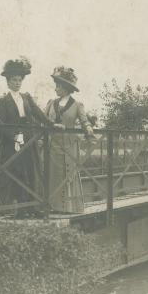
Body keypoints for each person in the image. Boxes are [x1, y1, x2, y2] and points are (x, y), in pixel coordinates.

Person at [0, 57, 50, 218]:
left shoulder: (26, 98)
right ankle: (18, 208)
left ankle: (31, 207)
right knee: (16, 173)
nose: (17, 83)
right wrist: (14, 137)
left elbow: (39, 114)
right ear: (8, 81)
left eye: (19, 80)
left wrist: (51, 124)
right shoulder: (3, 102)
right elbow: (1, 125)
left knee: (31, 171)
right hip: (11, 142)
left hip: (28, 138)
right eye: (14, 80)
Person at [44, 66, 94, 213]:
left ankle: (70, 207)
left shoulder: (77, 105)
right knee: (54, 175)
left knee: (69, 174)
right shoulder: (51, 103)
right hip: (53, 145)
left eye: (58, 86)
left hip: (70, 146)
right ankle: (54, 206)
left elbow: (85, 121)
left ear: (65, 87)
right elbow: (43, 120)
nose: (55, 89)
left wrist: (89, 129)